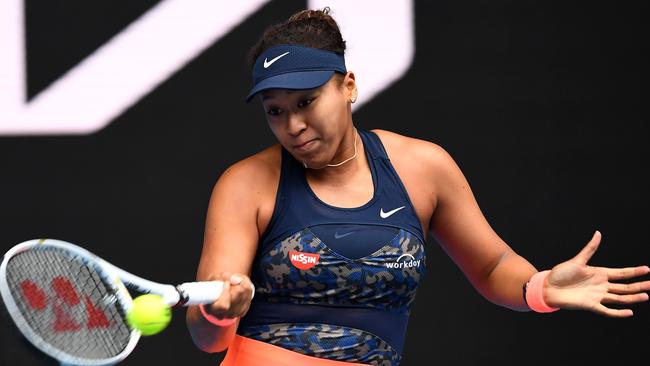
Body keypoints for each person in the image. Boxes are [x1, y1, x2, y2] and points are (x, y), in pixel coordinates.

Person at [186, 8, 650, 366]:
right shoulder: (245, 184)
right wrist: (220, 311)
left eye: (307, 101)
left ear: (348, 86)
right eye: (275, 110)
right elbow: (207, 339)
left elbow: (493, 265)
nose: (294, 125)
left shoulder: (421, 167)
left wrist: (539, 287)